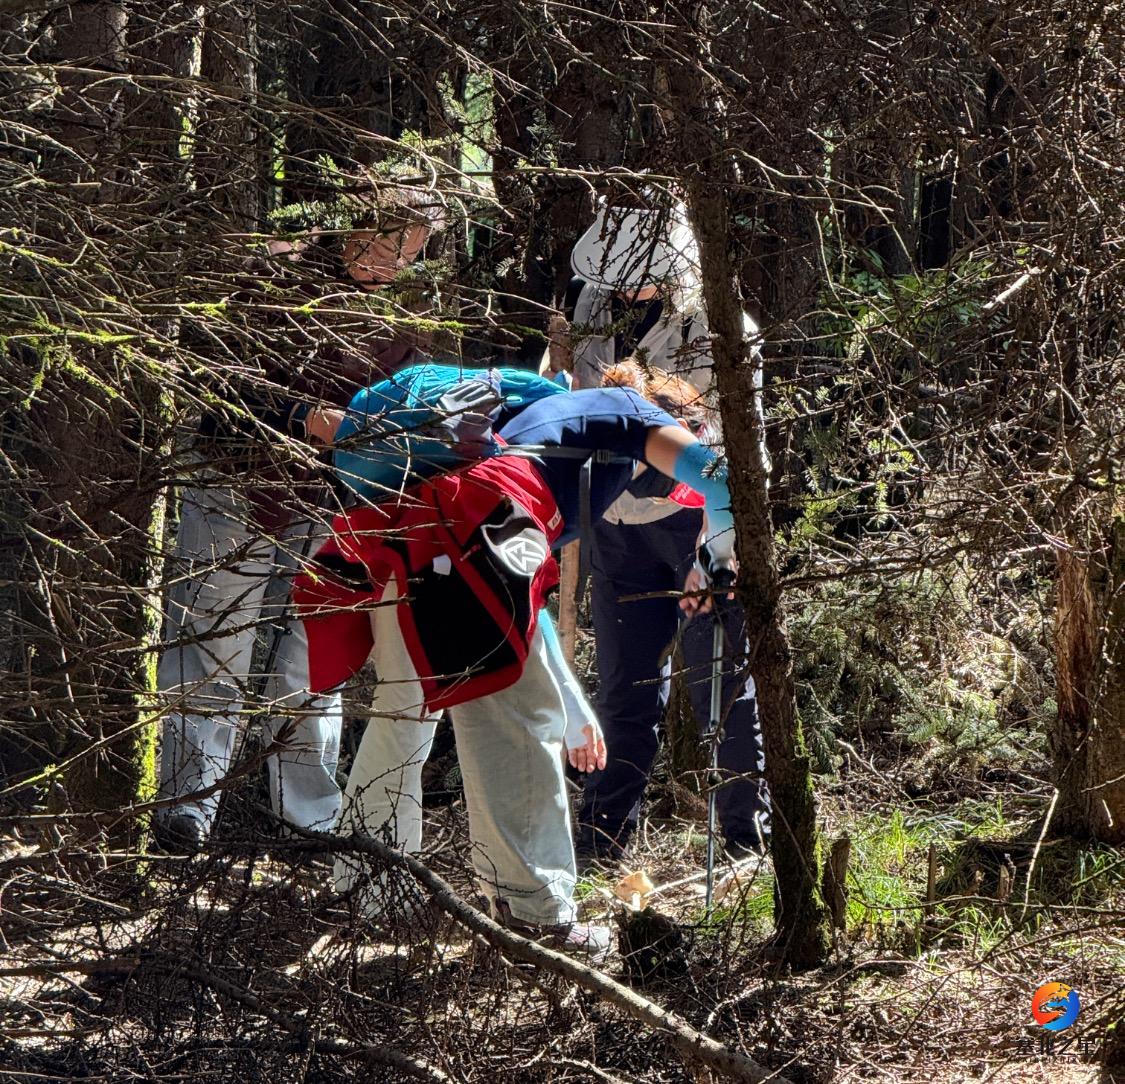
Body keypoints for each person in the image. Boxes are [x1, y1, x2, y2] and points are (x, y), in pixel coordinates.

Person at [293, 383, 739, 958]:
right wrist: (717, 558)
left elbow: (525, 603)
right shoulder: (633, 411)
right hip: (474, 531)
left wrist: (573, 707)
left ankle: (368, 889)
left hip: (413, 532)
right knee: (518, 722)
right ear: (681, 420)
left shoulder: (542, 425)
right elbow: (719, 479)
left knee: (403, 714)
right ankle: (537, 918)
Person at [154, 176, 443, 852]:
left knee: (313, 656)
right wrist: (302, 416)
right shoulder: (274, 275)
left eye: (410, 250)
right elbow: (217, 377)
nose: (391, 261)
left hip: (329, 498)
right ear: (351, 225)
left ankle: (307, 817)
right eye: (384, 242)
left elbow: (409, 400)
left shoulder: (409, 311)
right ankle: (186, 807)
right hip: (233, 478)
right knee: (210, 641)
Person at [550, 197, 772, 863]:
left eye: (638, 276)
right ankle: (604, 839)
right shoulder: (589, 310)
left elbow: (741, 451)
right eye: (614, 275)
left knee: (722, 689)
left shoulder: (722, 328)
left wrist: (718, 556)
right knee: (624, 686)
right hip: (614, 523)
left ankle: (744, 844)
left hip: (696, 524)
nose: (625, 289)